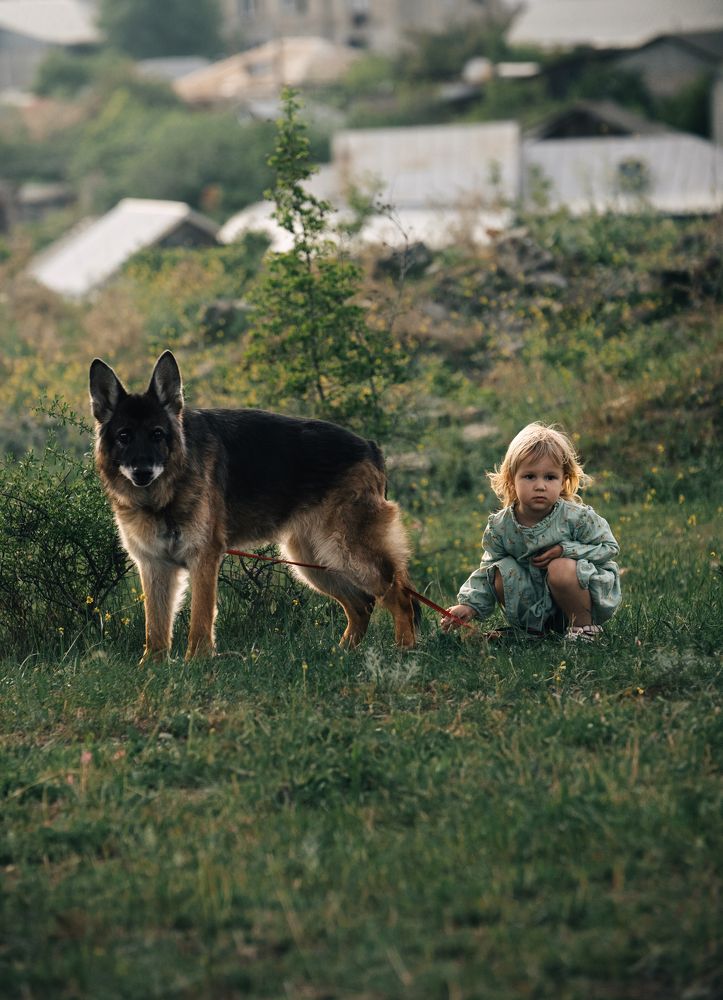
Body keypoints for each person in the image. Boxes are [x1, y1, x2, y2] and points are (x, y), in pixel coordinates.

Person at [442, 422, 621, 641]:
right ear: (511, 479)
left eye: (550, 477)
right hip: (535, 605)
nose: (540, 486)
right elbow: (488, 571)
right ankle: (534, 631)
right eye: (529, 476)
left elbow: (608, 547)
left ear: (563, 481)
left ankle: (584, 631)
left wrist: (565, 550)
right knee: (500, 570)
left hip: (578, 599)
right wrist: (469, 605)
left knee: (560, 567)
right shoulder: (501, 526)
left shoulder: (575, 517)